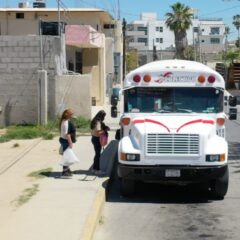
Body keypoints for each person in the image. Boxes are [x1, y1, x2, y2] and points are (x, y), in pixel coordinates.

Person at [90, 110, 110, 174]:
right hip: (97, 139)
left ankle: (94, 168)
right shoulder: (98, 122)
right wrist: (105, 130)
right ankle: (97, 170)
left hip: (94, 138)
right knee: (98, 155)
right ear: (101, 116)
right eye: (104, 116)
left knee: (97, 154)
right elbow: (99, 132)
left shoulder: (94, 121)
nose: (104, 117)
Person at [59, 108, 76, 176]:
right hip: (66, 140)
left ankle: (68, 170)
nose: (72, 115)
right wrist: (70, 142)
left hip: (63, 139)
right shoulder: (66, 123)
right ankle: (64, 172)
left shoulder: (64, 120)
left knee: (68, 156)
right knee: (66, 156)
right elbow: (67, 134)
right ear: (68, 115)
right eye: (71, 114)